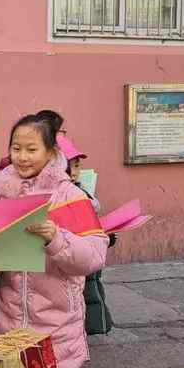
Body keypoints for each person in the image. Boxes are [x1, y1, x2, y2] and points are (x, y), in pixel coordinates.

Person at [0, 110, 109, 368]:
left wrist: (55, 239)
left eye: (31, 149)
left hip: (57, 333)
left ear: (51, 152)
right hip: (8, 329)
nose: (22, 157)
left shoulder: (70, 196)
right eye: (16, 149)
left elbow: (94, 256)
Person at [57, 134, 116, 336]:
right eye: (70, 166)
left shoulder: (79, 192)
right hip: (71, 261)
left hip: (85, 257)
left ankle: (91, 327)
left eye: (77, 166)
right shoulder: (63, 196)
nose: (75, 173)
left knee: (90, 294)